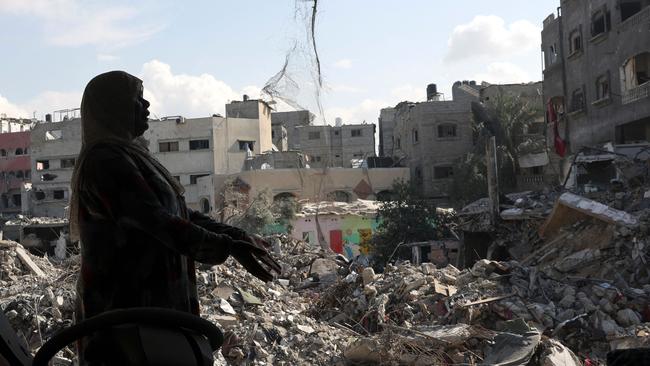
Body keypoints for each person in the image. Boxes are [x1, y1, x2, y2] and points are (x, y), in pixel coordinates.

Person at [69, 71, 280, 364]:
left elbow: (180, 214)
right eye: (136, 99)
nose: (146, 106)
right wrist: (228, 247)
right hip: (126, 321)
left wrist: (235, 237)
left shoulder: (132, 156)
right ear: (113, 107)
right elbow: (157, 221)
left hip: (156, 317)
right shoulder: (106, 161)